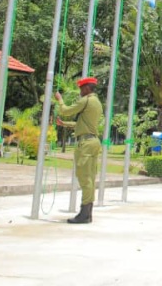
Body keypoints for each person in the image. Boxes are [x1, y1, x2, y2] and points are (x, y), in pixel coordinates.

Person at [54, 76, 103, 224]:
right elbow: (82, 123)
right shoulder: (97, 103)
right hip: (93, 141)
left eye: (81, 89)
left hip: (86, 144)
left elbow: (65, 110)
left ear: (87, 88)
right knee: (90, 177)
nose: (80, 92)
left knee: (84, 178)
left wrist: (59, 99)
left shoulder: (86, 100)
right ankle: (87, 213)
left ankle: (84, 214)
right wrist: (65, 124)